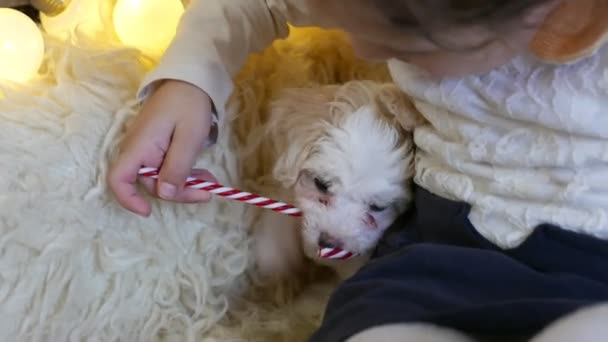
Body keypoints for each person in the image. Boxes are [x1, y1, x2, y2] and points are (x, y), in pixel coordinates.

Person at [107, 0, 608, 341]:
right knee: (371, 325)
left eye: (405, 45)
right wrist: (191, 80)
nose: (363, 52)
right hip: (434, 261)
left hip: (594, 270)